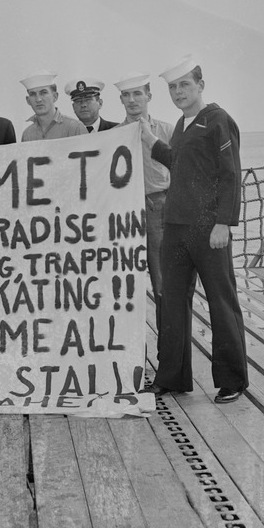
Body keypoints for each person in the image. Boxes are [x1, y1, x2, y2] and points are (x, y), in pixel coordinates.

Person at [138, 55, 248, 404]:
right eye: (172, 87)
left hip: (208, 227)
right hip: (176, 227)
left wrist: (224, 223)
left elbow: (231, 174)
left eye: (184, 84)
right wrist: (150, 140)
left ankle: (232, 379)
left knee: (221, 300)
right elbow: (180, 165)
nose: (178, 92)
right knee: (171, 301)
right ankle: (171, 376)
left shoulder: (218, 121)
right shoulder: (183, 126)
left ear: (200, 85)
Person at [114, 71, 175, 335]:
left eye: (137, 93)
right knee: (125, 286)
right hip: (123, 214)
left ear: (149, 95)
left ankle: (167, 355)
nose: (132, 100)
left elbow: (179, 170)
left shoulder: (167, 131)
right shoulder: (112, 136)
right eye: (126, 95)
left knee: (163, 283)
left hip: (158, 208)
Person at [20, 71, 88, 142]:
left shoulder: (75, 128)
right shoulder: (27, 134)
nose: (38, 99)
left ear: (55, 96)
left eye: (43, 93)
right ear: (28, 100)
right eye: (33, 94)